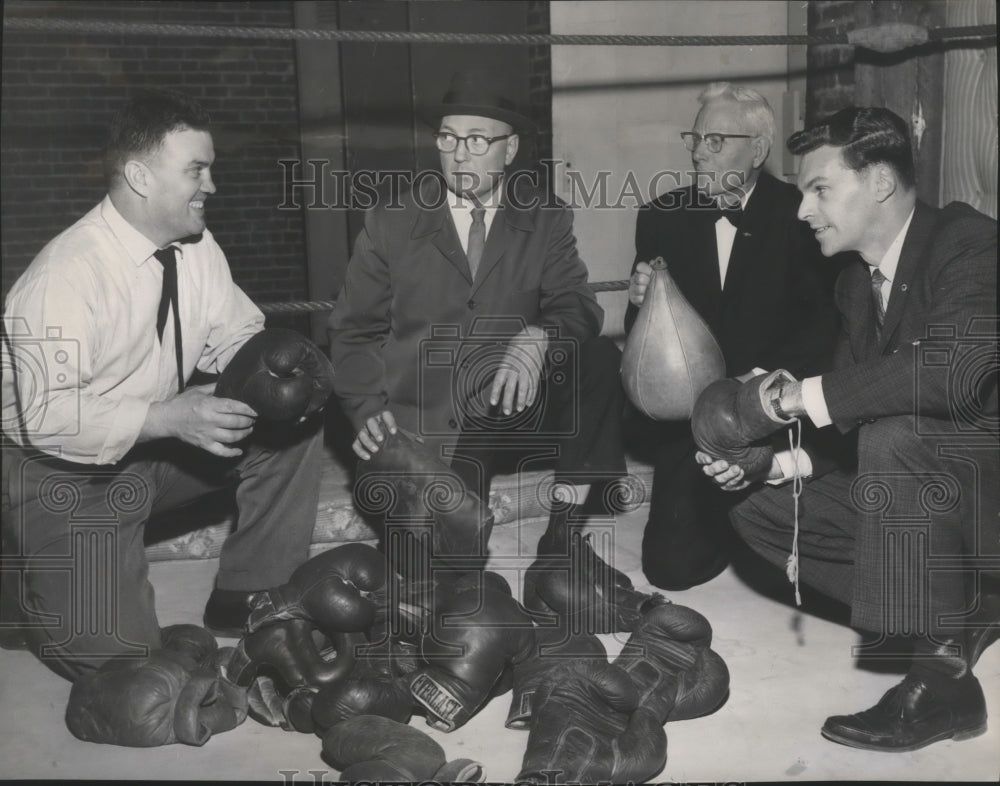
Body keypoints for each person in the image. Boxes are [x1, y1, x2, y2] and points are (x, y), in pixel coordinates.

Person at [700, 106, 999, 751]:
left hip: (987, 493)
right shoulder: (856, 287)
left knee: (897, 439)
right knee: (759, 508)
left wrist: (795, 398)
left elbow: (954, 376)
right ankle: (959, 609)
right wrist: (773, 466)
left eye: (820, 189)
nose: (803, 210)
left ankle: (944, 682)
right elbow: (848, 424)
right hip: (936, 498)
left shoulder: (971, 243)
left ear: (882, 184)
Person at [0, 89, 325, 680]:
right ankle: (24, 591)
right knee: (127, 673)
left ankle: (248, 595)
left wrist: (298, 368)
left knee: (290, 421)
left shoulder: (196, 248)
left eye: (211, 169)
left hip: (150, 448)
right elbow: (48, 418)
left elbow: (238, 336)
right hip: (57, 470)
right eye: (196, 170)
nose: (211, 187)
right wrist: (172, 417)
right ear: (139, 176)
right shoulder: (64, 275)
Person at [328, 69, 631, 607]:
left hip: (505, 405)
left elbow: (579, 306)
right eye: (447, 138)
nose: (458, 154)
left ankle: (560, 548)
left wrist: (540, 336)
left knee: (598, 358)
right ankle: (443, 531)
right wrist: (365, 411)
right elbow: (353, 332)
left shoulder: (543, 217)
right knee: (439, 594)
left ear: (509, 149)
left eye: (475, 140)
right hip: (423, 423)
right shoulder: (392, 219)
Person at [626, 82, 841, 590]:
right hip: (694, 419)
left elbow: (824, 331)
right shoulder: (661, 215)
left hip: (778, 412)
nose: (699, 151)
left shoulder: (803, 217)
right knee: (669, 572)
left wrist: (757, 387)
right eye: (695, 139)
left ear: (759, 150)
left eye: (716, 141)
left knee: (791, 573)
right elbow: (643, 346)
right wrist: (642, 304)